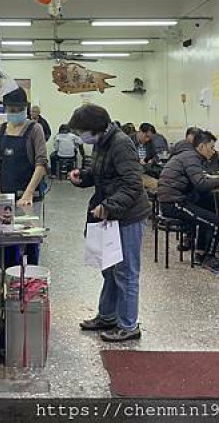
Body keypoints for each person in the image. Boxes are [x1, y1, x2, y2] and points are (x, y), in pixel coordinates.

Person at [69, 104, 151, 342]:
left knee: (126, 272)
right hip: (111, 215)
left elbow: (133, 184)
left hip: (129, 216)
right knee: (110, 269)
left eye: (83, 131)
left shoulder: (121, 144)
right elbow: (101, 175)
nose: (81, 137)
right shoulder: (101, 143)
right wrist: (82, 177)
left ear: (96, 128)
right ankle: (107, 316)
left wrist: (109, 206)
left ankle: (128, 325)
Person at [157, 130, 219, 275]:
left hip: (175, 199)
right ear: (201, 147)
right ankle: (209, 258)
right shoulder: (191, 157)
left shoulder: (189, 156)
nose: (213, 151)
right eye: (211, 147)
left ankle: (200, 252)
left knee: (208, 205)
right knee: (217, 222)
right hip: (173, 203)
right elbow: (201, 184)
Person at [0, 87, 48, 265]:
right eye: (11, 110)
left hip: (30, 197)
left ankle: (31, 285)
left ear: (25, 109)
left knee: (30, 242)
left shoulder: (35, 129)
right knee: (7, 245)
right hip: (6, 198)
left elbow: (41, 163)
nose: (15, 114)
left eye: (18, 110)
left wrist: (28, 193)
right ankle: (8, 282)